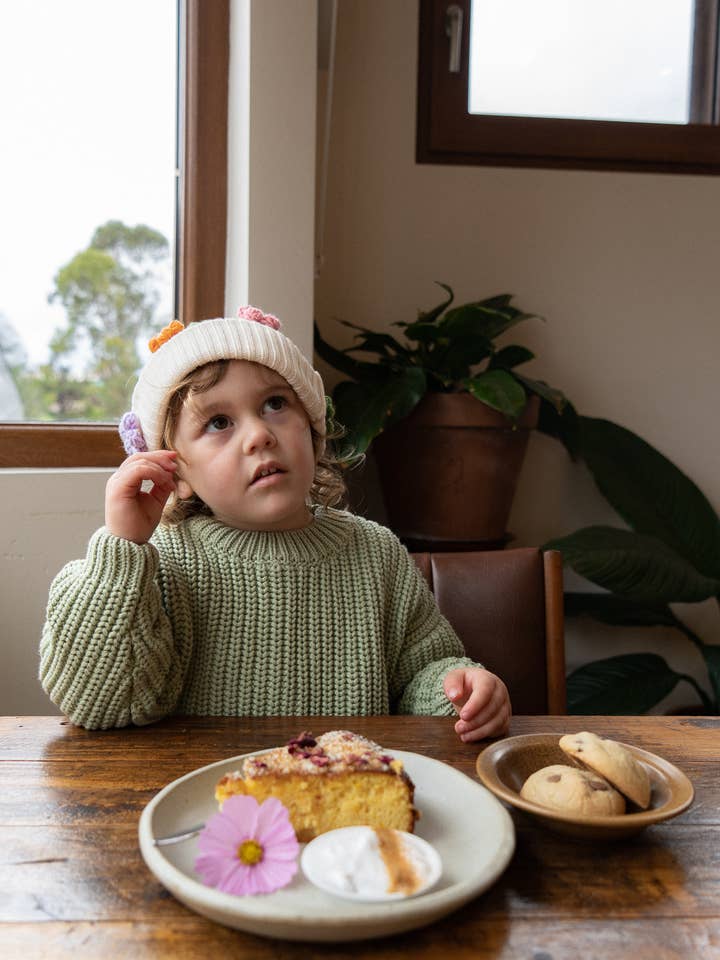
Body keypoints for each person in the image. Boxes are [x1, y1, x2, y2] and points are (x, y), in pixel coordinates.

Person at [40, 307, 511, 738]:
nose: (259, 435)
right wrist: (123, 547)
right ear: (175, 472)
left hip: (346, 809)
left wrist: (457, 689)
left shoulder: (377, 553)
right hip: (208, 814)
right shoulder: (163, 561)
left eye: (275, 405)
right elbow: (100, 704)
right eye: (219, 423)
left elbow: (421, 673)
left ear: (312, 425)